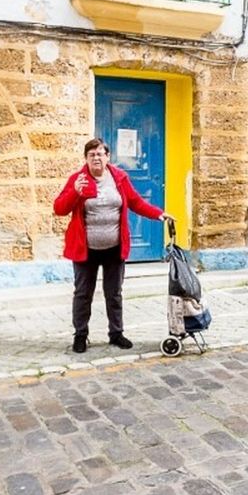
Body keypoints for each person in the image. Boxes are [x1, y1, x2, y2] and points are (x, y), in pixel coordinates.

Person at [53, 137, 174, 353]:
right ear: (86, 159)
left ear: (107, 157)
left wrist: (158, 214)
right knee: (82, 294)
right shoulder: (77, 180)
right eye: (92, 155)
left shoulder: (119, 177)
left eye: (100, 154)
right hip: (85, 249)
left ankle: (116, 333)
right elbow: (60, 208)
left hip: (114, 248)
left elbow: (136, 201)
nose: (96, 158)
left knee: (114, 293)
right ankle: (80, 335)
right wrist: (75, 192)